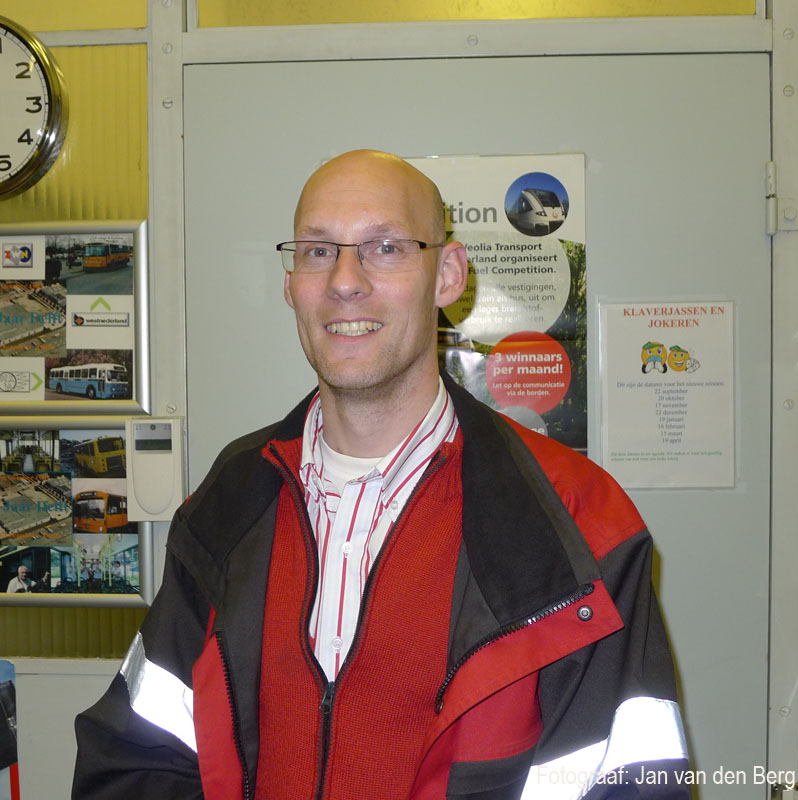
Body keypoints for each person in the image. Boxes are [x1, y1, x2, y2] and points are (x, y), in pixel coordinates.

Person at [73, 150, 689, 799]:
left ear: (447, 274)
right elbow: (142, 753)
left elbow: (625, 783)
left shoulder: (575, 517)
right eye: (317, 251)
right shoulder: (232, 498)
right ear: (290, 283)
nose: (344, 280)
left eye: (386, 247)